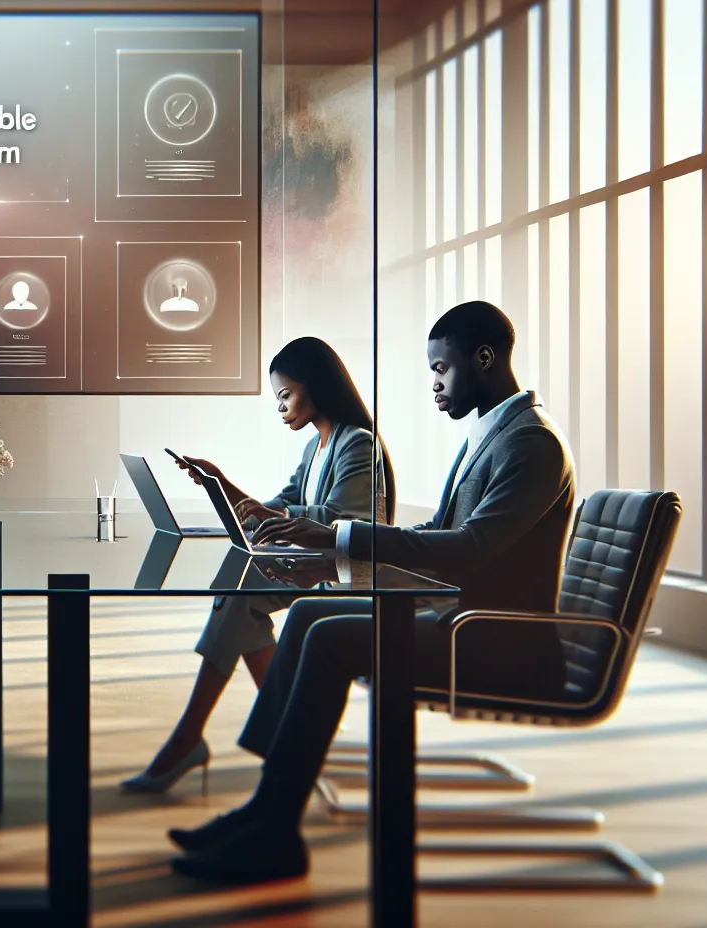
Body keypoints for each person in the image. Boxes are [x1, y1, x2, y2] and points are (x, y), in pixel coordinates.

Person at [168, 300, 575, 883]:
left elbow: (469, 549)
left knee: (331, 638)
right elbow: (439, 534)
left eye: (441, 369)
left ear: (484, 358)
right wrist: (331, 551)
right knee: (310, 615)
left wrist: (338, 536)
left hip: (498, 640)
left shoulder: (532, 443)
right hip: (462, 617)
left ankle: (274, 829)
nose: (434, 384)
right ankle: (267, 808)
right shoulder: (494, 435)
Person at [121, 337, 395, 794]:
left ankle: (194, 738)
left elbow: (346, 522)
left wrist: (274, 516)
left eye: (286, 395)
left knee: (238, 599)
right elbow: (276, 508)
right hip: (313, 562)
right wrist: (221, 484)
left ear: (316, 386)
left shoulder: (357, 444)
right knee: (240, 601)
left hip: (344, 570)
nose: (281, 408)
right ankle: (283, 728)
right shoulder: (316, 448)